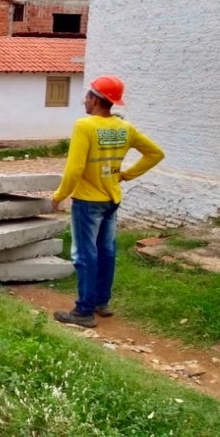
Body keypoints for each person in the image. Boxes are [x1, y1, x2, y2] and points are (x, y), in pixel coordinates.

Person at [52, 75, 164, 329]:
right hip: (111, 199)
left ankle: (84, 311)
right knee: (106, 251)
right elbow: (155, 153)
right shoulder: (124, 128)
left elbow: (75, 168)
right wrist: (125, 175)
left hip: (88, 201)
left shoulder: (85, 126)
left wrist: (59, 195)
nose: (85, 100)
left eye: (87, 96)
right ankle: (101, 302)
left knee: (84, 254)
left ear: (94, 99)